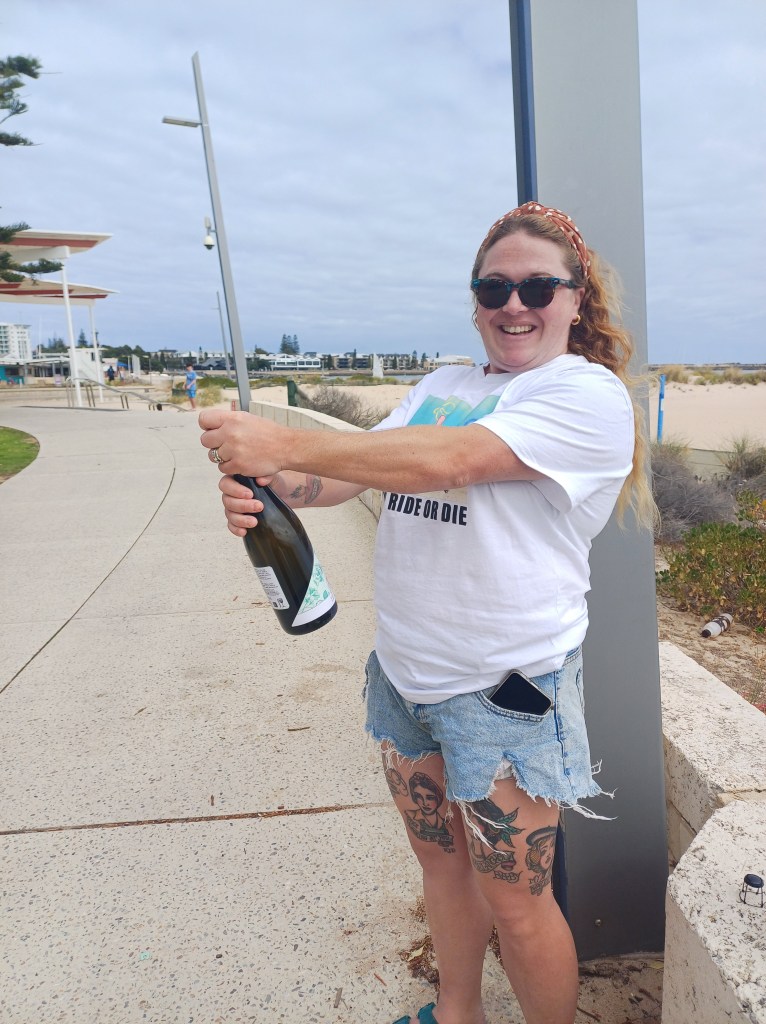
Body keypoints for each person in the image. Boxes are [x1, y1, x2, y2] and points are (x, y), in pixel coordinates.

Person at [198, 201, 654, 1024]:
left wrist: (284, 442)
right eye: (493, 287)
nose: (513, 305)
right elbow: (355, 474)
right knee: (442, 870)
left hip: (506, 691)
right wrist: (273, 486)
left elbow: (451, 461)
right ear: (475, 299)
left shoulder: (586, 395)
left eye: (538, 287)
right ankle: (456, 1012)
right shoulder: (445, 385)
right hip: (404, 678)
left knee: (518, 901)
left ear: (576, 299)